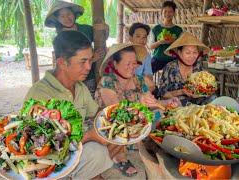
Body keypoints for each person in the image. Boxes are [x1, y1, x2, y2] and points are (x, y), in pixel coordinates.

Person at [25, 31, 113, 179]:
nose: (88, 67)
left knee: (113, 140)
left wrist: (117, 114)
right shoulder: (40, 94)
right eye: (82, 61)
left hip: (74, 149)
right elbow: (42, 147)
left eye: (90, 61)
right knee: (97, 151)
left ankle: (88, 174)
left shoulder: (79, 87)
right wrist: (89, 136)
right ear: (62, 63)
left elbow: (96, 111)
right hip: (47, 161)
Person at [96, 43, 180, 177]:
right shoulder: (107, 82)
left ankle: (151, 147)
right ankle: (120, 157)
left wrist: (166, 103)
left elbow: (150, 103)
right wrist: (140, 104)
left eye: (134, 63)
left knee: (164, 121)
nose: (132, 67)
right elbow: (117, 112)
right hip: (115, 126)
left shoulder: (139, 80)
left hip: (137, 124)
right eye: (127, 63)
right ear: (115, 64)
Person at [45, 0, 105, 97]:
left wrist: (103, 28)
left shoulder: (86, 29)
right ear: (57, 19)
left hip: (90, 74)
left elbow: (101, 37)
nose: (67, 18)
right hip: (71, 77)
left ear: (74, 14)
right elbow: (66, 60)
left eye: (68, 14)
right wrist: (93, 59)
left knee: (90, 99)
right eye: (62, 16)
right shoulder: (60, 37)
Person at [157, 32, 215, 106]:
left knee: (213, 99)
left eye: (195, 52)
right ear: (179, 53)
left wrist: (201, 92)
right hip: (177, 105)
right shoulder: (170, 67)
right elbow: (162, 94)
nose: (192, 56)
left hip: (197, 104)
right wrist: (182, 91)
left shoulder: (198, 66)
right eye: (188, 53)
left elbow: (206, 88)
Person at [150, 1, 183, 73]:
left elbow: (181, 48)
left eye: (170, 12)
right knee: (147, 72)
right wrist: (160, 42)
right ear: (161, 13)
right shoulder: (156, 29)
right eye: (165, 11)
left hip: (173, 59)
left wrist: (174, 42)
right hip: (158, 59)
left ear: (174, 13)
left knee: (178, 73)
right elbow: (151, 46)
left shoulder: (178, 30)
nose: (167, 14)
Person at [128, 22, 155, 92]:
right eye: (138, 36)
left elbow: (149, 78)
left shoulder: (146, 56)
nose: (142, 40)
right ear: (130, 38)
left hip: (137, 89)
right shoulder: (123, 53)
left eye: (144, 37)